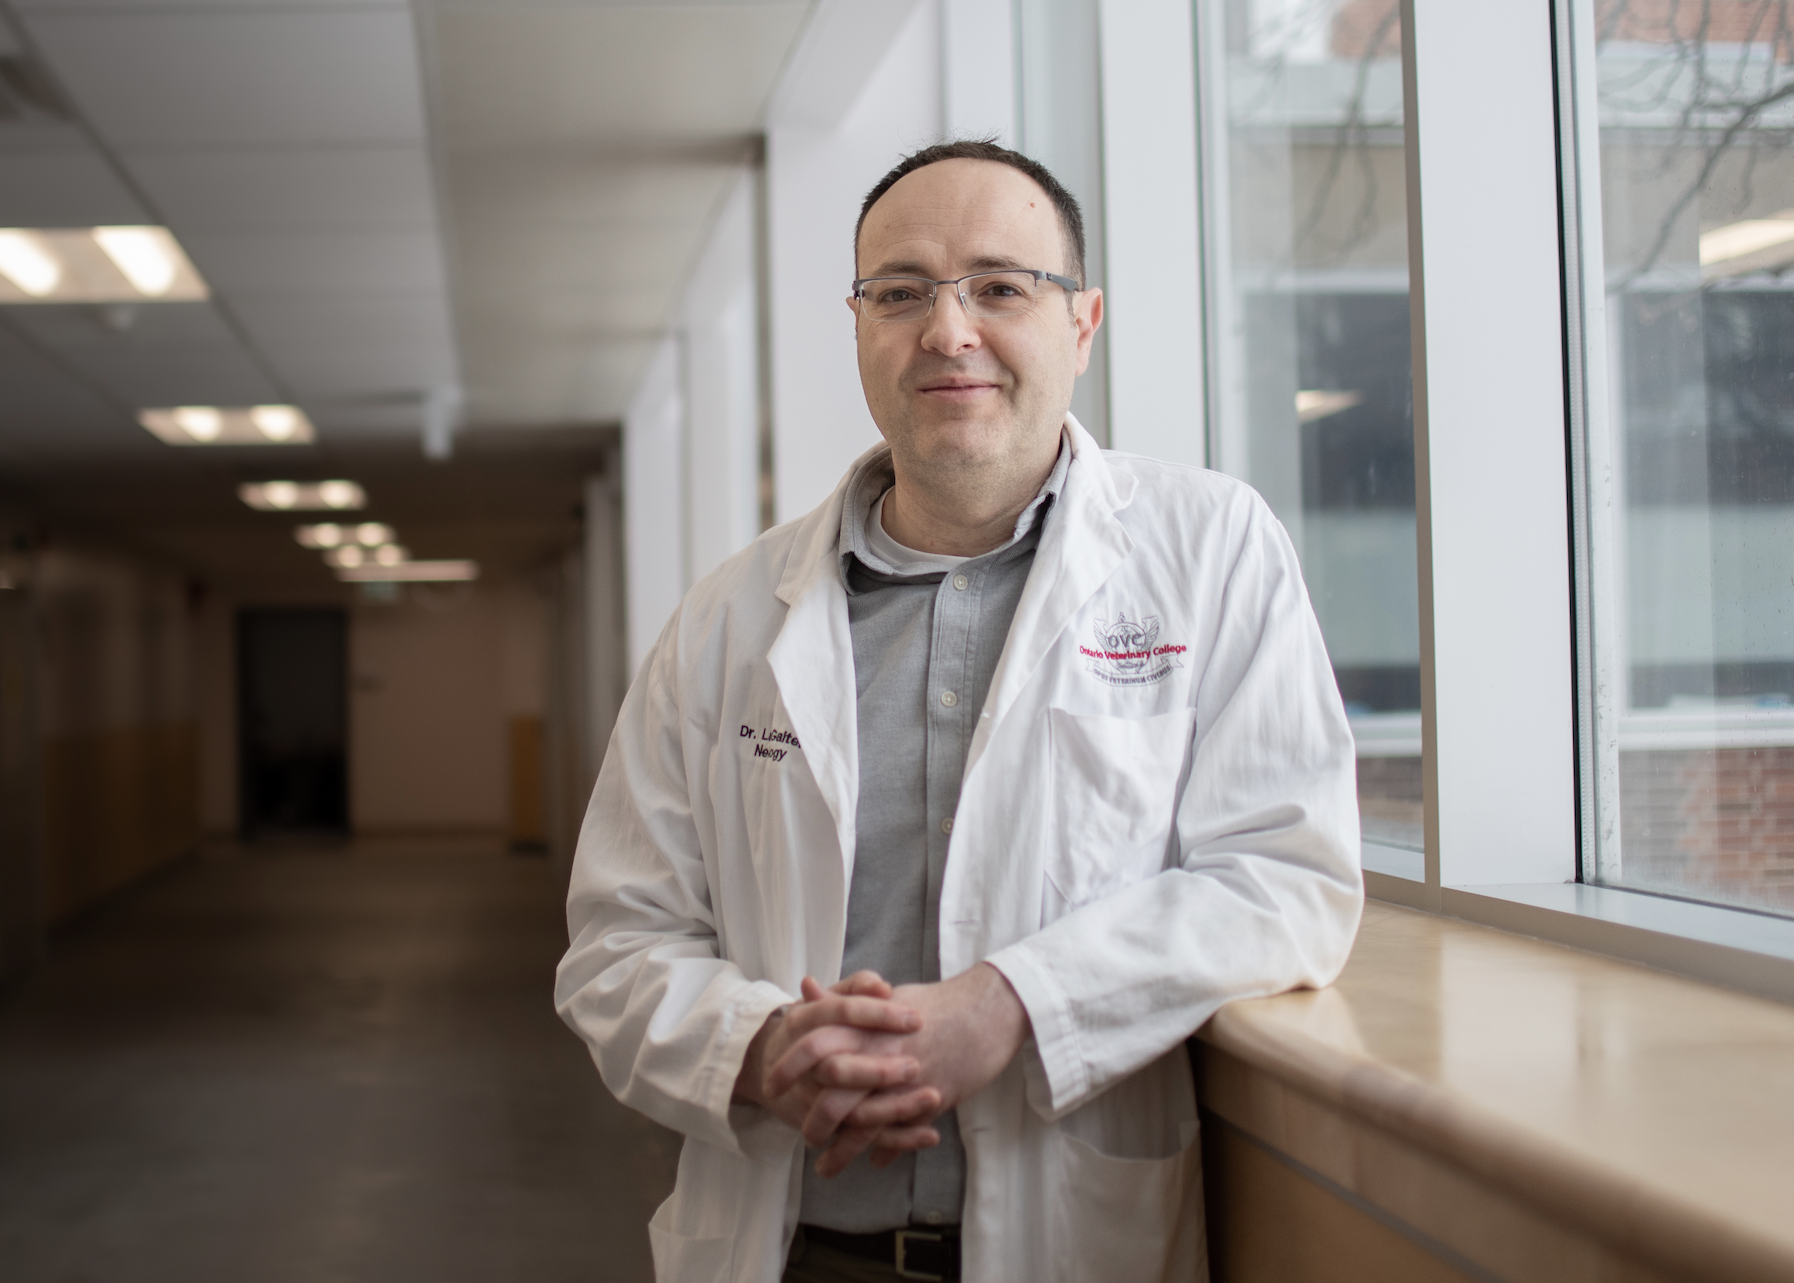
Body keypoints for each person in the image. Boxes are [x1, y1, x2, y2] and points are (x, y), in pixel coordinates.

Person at [556, 140, 1363, 1283]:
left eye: (998, 286)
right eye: (899, 293)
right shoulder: (727, 619)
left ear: (1081, 323)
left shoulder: (1208, 552)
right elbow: (616, 944)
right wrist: (762, 1047)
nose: (946, 330)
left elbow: (1287, 879)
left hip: (1069, 1245)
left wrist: (1011, 1006)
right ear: (856, 328)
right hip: (795, 1249)